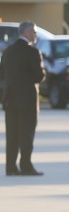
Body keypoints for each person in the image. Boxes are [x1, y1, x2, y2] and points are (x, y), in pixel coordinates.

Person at [1, 21, 45, 176]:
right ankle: (26, 166)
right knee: (26, 134)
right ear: (26, 32)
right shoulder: (33, 52)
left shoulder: (7, 51)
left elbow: (2, 75)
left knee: (12, 134)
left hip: (10, 99)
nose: (35, 35)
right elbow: (39, 77)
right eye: (34, 32)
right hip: (27, 100)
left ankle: (10, 167)